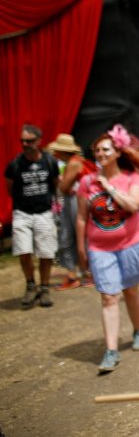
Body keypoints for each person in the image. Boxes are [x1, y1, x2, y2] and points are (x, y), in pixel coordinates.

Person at [76, 125, 139, 372]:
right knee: (108, 297)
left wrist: (108, 186)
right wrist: (81, 246)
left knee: (131, 291)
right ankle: (111, 351)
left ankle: (138, 330)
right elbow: (81, 216)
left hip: (130, 244)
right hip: (99, 248)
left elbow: (134, 205)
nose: (100, 153)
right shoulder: (85, 182)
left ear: (117, 152)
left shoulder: (132, 178)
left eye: (105, 149)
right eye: (97, 150)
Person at [6, 124, 61, 309]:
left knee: (46, 252)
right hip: (22, 212)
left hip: (44, 212)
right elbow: (10, 189)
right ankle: (30, 284)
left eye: (29, 141)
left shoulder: (50, 161)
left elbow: (55, 183)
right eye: (22, 140)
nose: (25, 144)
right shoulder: (15, 164)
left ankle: (44, 287)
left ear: (39, 141)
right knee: (24, 250)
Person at [46, 133, 97, 290]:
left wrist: (61, 183)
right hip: (74, 200)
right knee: (70, 235)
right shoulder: (75, 162)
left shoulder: (74, 163)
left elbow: (62, 187)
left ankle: (87, 273)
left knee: (77, 236)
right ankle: (75, 274)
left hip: (76, 201)